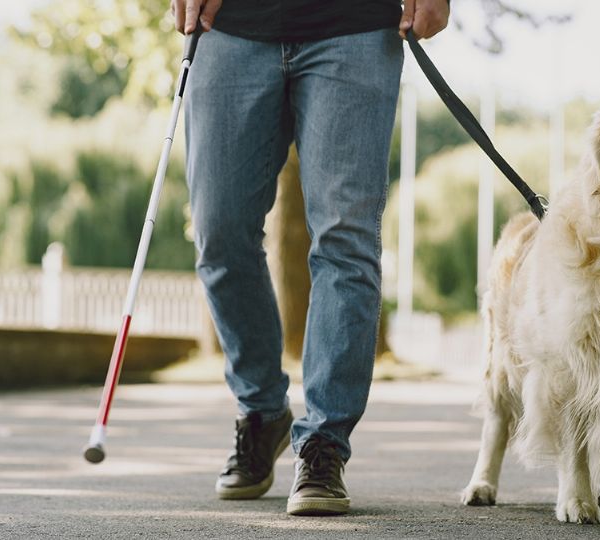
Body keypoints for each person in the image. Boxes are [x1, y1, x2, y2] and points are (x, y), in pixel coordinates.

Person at [171, 0, 450, 516]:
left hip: (355, 26)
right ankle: (261, 411)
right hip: (230, 25)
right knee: (220, 231)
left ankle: (324, 443)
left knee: (346, 237)